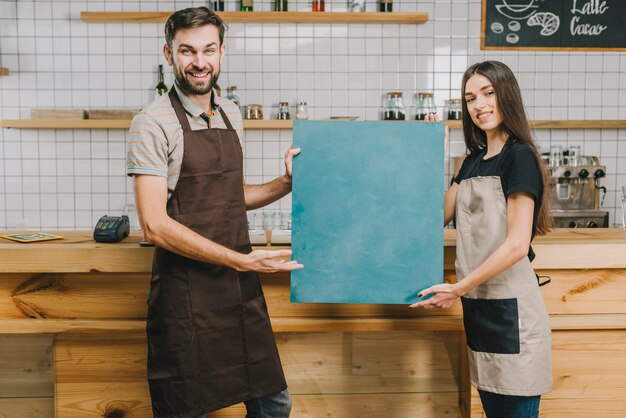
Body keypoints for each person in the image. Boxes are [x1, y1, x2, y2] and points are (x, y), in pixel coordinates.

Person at [126, 7, 303, 418]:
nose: (199, 62)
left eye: (208, 49)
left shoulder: (230, 113)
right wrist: (239, 260)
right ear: (169, 55)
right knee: (187, 407)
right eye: (187, 51)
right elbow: (154, 224)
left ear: (223, 52)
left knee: (274, 403)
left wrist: (286, 183)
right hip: (185, 293)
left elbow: (230, 195)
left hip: (238, 292)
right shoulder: (151, 122)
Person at [410, 60, 553, 418]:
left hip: (514, 314)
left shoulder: (519, 157)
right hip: (480, 310)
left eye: (488, 93)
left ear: (507, 96)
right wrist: (428, 151)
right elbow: (432, 219)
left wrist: (458, 288)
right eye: (471, 98)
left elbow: (518, 245)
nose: (480, 105)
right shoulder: (471, 162)